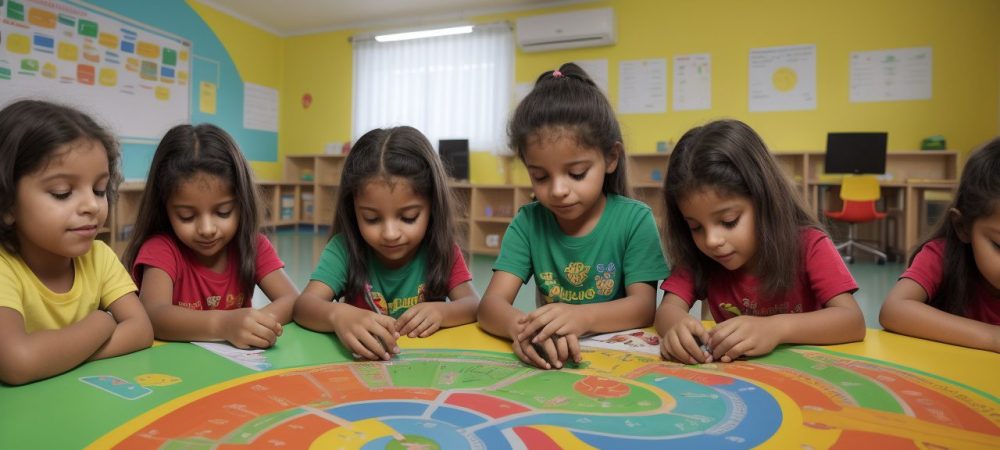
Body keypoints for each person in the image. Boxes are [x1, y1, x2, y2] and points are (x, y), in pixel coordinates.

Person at [477, 63, 670, 370]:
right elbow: (490, 306)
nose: (557, 190)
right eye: (540, 176)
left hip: (619, 363)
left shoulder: (634, 220)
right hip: (553, 363)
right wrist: (522, 329)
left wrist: (582, 317)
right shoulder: (528, 223)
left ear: (610, 158)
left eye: (577, 173)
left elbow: (644, 308)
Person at [656, 119, 865, 364]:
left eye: (729, 220)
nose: (711, 240)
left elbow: (853, 321)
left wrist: (776, 329)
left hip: (807, 374)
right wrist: (678, 327)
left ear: (764, 201)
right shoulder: (699, 254)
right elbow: (667, 310)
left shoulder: (809, 245)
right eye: (695, 227)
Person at [294, 126, 480, 361]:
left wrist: (444, 312)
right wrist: (338, 315)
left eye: (408, 217)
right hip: (362, 374)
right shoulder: (344, 249)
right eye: (372, 218)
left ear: (433, 206)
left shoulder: (441, 250)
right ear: (353, 211)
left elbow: (474, 304)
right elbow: (304, 306)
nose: (390, 234)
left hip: (423, 371)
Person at [0, 100, 152, 385]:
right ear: (7, 203)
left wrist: (54, 356)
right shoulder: (4, 268)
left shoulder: (100, 256)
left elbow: (141, 330)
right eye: (62, 192)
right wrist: (101, 323)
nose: (92, 206)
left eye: (98, 189)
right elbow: (17, 362)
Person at [123, 124, 298, 349]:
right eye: (186, 216)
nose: (207, 229)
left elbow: (293, 300)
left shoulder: (253, 246)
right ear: (164, 208)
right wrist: (223, 325)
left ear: (241, 202)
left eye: (223, 212)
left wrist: (254, 325)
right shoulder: (161, 249)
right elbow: (154, 314)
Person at [879, 137, 1000, 352]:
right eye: (999, 246)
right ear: (962, 227)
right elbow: (894, 310)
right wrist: (993, 338)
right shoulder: (942, 255)